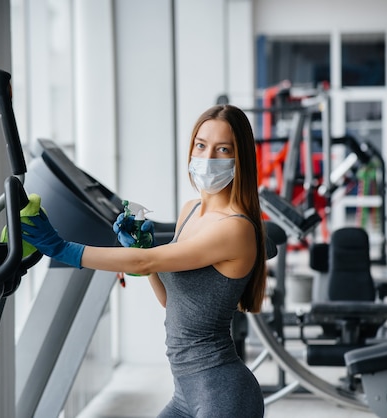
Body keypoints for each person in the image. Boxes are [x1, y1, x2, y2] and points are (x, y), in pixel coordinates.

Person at [21, 104, 268, 417]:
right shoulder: (191, 211)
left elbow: (143, 263)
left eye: (223, 149)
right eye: (201, 145)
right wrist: (143, 246)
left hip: (223, 394)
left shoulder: (234, 227)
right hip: (184, 395)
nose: (207, 158)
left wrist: (61, 248)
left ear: (240, 158)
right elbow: (172, 301)